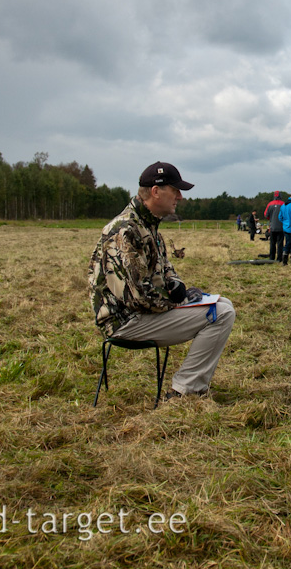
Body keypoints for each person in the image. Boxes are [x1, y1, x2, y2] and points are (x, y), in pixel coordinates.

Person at [88, 161, 236, 399]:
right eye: (175, 190)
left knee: (224, 305)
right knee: (221, 313)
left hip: (144, 313)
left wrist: (180, 288)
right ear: (156, 191)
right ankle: (187, 390)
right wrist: (177, 301)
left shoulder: (148, 226)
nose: (179, 196)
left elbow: (167, 271)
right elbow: (136, 297)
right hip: (125, 321)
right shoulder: (126, 230)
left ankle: (190, 385)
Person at [263, 191, 285, 260]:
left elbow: (266, 215)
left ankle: (272, 258)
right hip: (281, 228)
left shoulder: (270, 204)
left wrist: (272, 218)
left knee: (272, 243)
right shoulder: (283, 204)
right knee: (280, 244)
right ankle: (279, 258)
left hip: (272, 227)